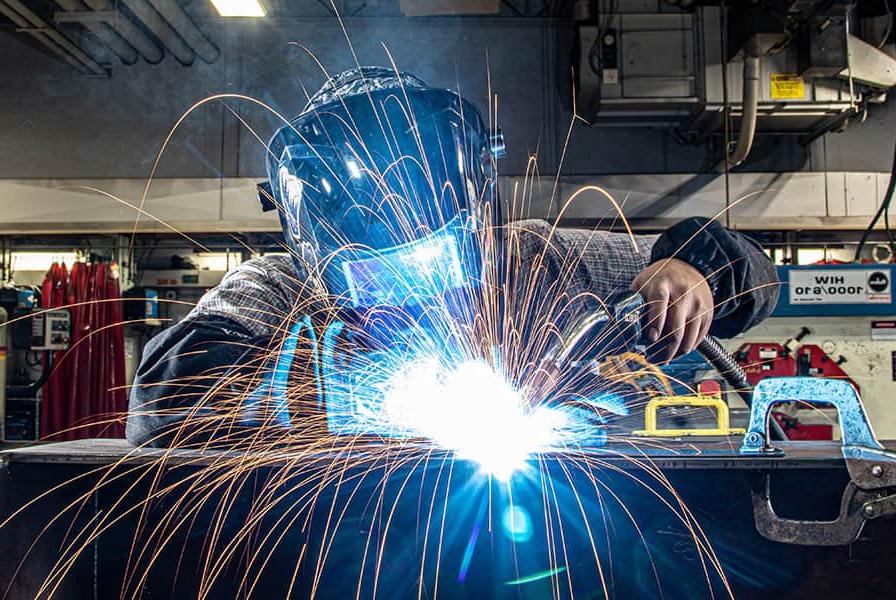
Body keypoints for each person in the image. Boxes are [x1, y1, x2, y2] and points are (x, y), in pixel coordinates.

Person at [126, 67, 779, 448]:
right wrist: (346, 404)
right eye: (378, 280)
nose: (410, 301)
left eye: (432, 267)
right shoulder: (277, 286)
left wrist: (695, 271)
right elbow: (164, 398)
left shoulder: (540, 258)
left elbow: (753, 271)